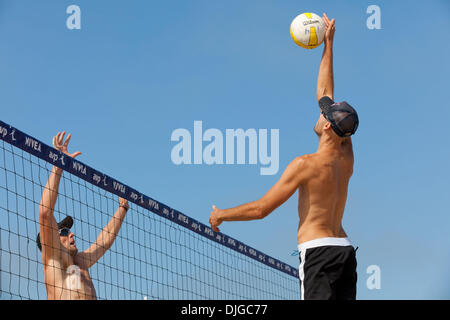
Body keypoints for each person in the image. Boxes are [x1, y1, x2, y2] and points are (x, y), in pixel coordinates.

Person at [209, 13, 359, 300]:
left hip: (318, 254)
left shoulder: (305, 165)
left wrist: (221, 215)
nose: (320, 112)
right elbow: (326, 94)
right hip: (345, 252)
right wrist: (328, 44)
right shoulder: (346, 158)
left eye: (324, 114)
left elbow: (262, 209)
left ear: (327, 125)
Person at [36, 131, 130, 300]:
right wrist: (58, 166)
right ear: (51, 239)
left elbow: (104, 241)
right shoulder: (53, 258)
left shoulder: (81, 261)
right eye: (64, 231)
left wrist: (123, 207)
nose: (71, 234)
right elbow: (44, 213)